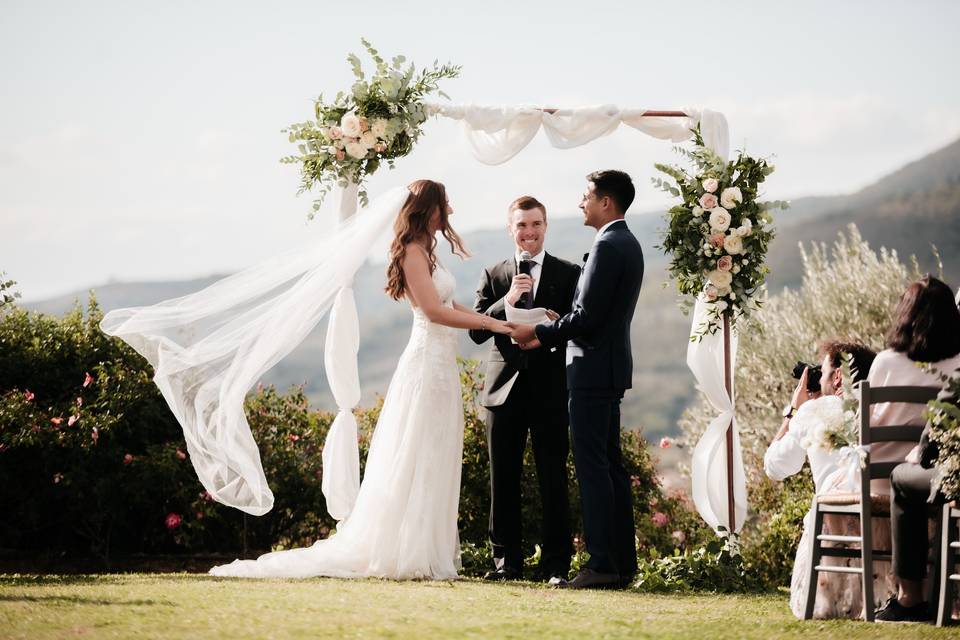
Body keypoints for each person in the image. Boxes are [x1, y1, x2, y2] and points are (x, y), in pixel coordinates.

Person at [153, 179, 514, 579]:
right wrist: (491, 326)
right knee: (418, 451)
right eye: (445, 203)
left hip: (442, 365)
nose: (451, 210)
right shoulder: (412, 252)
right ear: (429, 209)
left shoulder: (429, 252)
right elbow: (432, 311)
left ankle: (426, 551)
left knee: (437, 451)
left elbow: (449, 302)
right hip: (426, 365)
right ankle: (406, 552)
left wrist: (499, 319)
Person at [511, 170, 643, 589]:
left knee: (592, 469)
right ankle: (621, 564)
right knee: (610, 469)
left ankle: (601, 564)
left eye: (586, 196)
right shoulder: (628, 243)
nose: (580, 203)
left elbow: (588, 318)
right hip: (608, 368)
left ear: (606, 202)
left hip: (590, 371)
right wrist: (561, 322)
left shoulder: (608, 245)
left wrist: (541, 332)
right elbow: (595, 314)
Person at [469, 196, 580, 582]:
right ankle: (506, 564)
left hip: (550, 389)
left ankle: (556, 566)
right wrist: (507, 301)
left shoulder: (569, 274)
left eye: (535, 224)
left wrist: (555, 323)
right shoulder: (494, 273)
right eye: (521, 225)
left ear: (545, 226)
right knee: (504, 479)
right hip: (503, 392)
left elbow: (579, 328)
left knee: (553, 478)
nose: (528, 233)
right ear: (510, 229)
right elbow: (475, 332)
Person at [764, 340, 883, 619]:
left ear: (838, 376)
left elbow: (775, 466)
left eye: (825, 370)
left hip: (835, 515)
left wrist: (794, 410)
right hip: (883, 512)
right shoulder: (883, 407)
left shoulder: (816, 410)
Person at [873, 276, 960, 622]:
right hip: (939, 470)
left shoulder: (885, 363)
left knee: (899, 480)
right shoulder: (957, 363)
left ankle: (910, 597)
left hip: (888, 476)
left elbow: (870, 429)